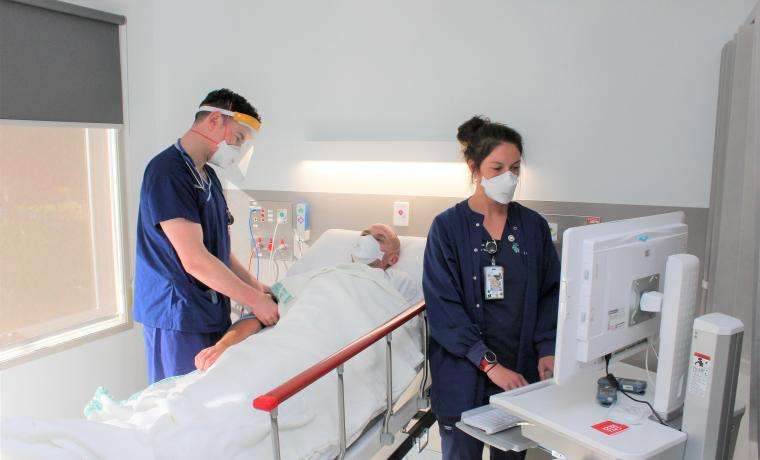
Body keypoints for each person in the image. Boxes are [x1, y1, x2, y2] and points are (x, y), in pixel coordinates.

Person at [423, 116, 560, 460]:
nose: (508, 178)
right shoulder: (447, 228)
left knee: (511, 454)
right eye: (497, 168)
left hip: (519, 371)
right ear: (474, 168)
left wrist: (547, 348)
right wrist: (490, 365)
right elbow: (444, 308)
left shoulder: (533, 227)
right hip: (464, 374)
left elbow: (551, 292)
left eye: (515, 168)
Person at [134, 89, 279, 384]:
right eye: (238, 138)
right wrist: (255, 301)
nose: (238, 149)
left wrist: (258, 287)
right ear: (214, 120)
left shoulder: (208, 176)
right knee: (180, 403)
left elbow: (220, 252)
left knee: (210, 395)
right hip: (178, 314)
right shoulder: (167, 173)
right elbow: (195, 260)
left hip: (209, 310)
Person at [194, 223, 408, 371]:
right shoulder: (323, 274)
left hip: (330, 349)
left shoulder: (390, 288)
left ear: (393, 258)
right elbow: (263, 309)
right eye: (365, 235)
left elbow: (399, 330)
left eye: (378, 238)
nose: (368, 240)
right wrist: (222, 347)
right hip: (291, 339)